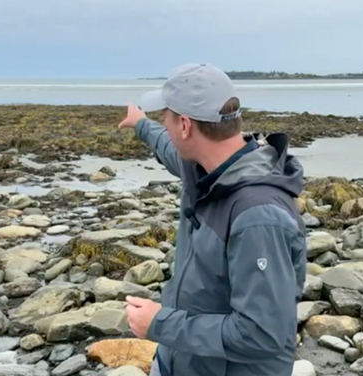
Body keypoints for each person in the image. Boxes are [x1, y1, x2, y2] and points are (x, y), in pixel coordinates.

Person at [118, 63, 307, 376]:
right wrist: (140, 123)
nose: (162, 123)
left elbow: (262, 334)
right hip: (180, 360)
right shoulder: (206, 169)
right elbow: (168, 148)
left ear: (185, 126)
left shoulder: (258, 218)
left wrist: (159, 323)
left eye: (164, 116)